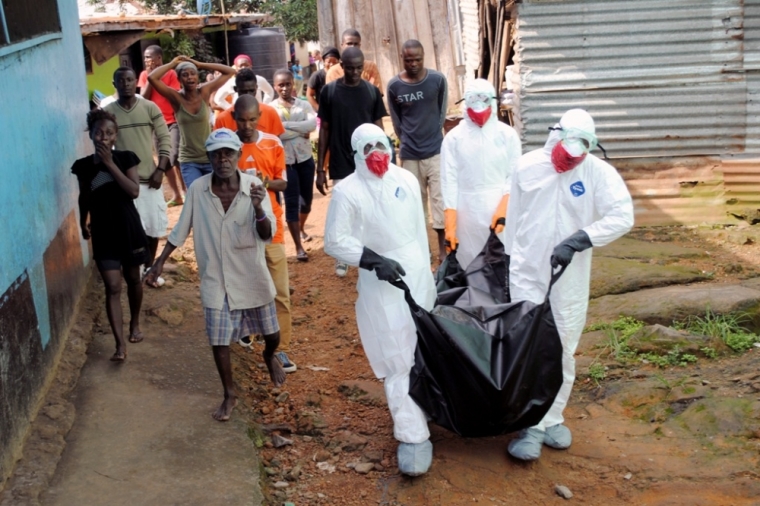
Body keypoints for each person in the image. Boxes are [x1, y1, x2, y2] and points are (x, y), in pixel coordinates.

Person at [504, 109, 634, 461]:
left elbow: (623, 215)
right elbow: (514, 218)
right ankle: (529, 422)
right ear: (555, 136)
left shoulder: (598, 173)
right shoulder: (528, 165)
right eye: (565, 153)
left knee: (562, 346)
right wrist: (505, 260)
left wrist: (581, 238)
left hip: (569, 276)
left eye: (578, 157)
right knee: (528, 346)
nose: (569, 162)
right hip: (527, 271)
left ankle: (550, 416)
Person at [145, 128, 286, 421]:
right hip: (216, 277)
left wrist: (259, 206)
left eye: (228, 153)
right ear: (209, 158)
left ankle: (268, 355)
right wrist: (159, 262)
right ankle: (229, 393)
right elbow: (181, 228)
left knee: (272, 334)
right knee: (219, 340)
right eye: (217, 154)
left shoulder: (254, 186)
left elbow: (267, 233)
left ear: (237, 155)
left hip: (250, 273)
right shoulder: (198, 188)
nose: (223, 159)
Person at [324, 123, 436, 476]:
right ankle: (413, 435)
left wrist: (427, 270)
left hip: (417, 273)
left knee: (426, 346)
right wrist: (373, 260)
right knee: (397, 354)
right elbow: (334, 241)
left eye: (381, 143)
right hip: (380, 281)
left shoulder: (405, 179)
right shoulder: (347, 192)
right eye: (367, 145)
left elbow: (419, 229)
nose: (376, 151)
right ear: (355, 151)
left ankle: (433, 410)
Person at [72, 109, 149, 362]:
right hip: (103, 233)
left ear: (115, 136)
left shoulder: (126, 159)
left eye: (108, 133)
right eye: (98, 133)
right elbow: (85, 196)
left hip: (128, 228)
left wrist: (109, 164)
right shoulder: (83, 167)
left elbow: (133, 191)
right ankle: (119, 345)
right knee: (113, 286)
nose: (103, 137)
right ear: (91, 136)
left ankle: (135, 323)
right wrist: (83, 222)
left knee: (133, 279)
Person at [233, 95, 297, 374]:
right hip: (239, 227)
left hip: (271, 227)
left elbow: (283, 182)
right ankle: (250, 331)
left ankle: (281, 349)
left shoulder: (272, 142)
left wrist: (264, 181)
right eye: (242, 120)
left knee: (280, 290)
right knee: (247, 286)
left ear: (259, 117)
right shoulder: (228, 146)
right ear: (234, 118)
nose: (247, 125)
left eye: (252, 119)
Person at [317, 47, 387, 277]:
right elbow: (324, 130)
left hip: (368, 162)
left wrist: (386, 159)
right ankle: (342, 257)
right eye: (350, 68)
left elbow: (379, 130)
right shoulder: (329, 92)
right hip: (340, 159)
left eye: (359, 67)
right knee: (342, 210)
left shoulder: (371, 92)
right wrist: (320, 168)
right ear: (342, 67)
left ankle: (371, 251)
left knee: (371, 206)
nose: (355, 72)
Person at [439, 78, 521, 269]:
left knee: (502, 266)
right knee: (471, 266)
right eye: (473, 100)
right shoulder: (454, 139)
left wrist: (504, 208)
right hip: (466, 213)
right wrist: (450, 224)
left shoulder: (507, 135)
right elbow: (449, 181)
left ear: (493, 101)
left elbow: (514, 176)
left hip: (501, 212)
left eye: (484, 100)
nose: (479, 107)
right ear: (465, 103)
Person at [104, 67, 172, 290]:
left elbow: (164, 139)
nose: (126, 84)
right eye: (121, 80)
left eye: (130, 80)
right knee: (131, 231)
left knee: (153, 230)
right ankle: (135, 271)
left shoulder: (149, 107)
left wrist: (160, 170)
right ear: (114, 84)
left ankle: (149, 270)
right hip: (123, 184)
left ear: (137, 83)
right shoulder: (108, 111)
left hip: (149, 180)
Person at [387, 39, 448, 264]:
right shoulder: (395, 86)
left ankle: (442, 251)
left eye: (418, 59)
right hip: (410, 155)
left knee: (439, 200)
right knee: (415, 204)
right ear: (402, 58)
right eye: (408, 59)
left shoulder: (437, 80)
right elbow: (396, 122)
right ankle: (423, 250)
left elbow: (441, 113)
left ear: (424, 57)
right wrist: (408, 141)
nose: (413, 63)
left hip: (435, 152)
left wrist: (432, 136)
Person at [148, 55, 235, 188]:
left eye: (193, 74)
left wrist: (199, 64)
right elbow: (152, 78)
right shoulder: (176, 97)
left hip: (210, 157)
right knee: (197, 197)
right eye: (185, 75)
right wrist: (172, 63)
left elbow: (229, 71)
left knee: (216, 198)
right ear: (179, 79)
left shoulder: (204, 92)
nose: (190, 77)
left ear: (198, 77)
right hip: (189, 160)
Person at [272, 69, 317, 262]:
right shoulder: (271, 109)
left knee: (306, 201)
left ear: (293, 84)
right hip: (285, 162)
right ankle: (298, 246)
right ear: (275, 86)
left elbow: (312, 126)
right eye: (280, 85)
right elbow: (276, 133)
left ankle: (300, 228)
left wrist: (286, 126)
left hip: (305, 159)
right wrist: (299, 130)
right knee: (291, 203)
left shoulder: (304, 105)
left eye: (287, 84)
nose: (284, 88)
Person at [138, 44, 186, 206]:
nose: (146, 60)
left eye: (149, 57)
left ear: (159, 58)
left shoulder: (171, 73)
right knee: (163, 160)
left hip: (173, 121)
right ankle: (176, 195)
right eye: (145, 57)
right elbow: (143, 97)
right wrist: (151, 77)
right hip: (155, 124)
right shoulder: (145, 75)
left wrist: (156, 77)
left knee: (174, 157)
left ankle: (186, 192)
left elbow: (172, 94)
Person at [214, 68, 285, 137]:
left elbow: (277, 143)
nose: (248, 95)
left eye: (251, 91)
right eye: (243, 91)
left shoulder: (270, 113)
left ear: (256, 88)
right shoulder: (223, 119)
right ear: (236, 89)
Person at [306, 46, 340, 112]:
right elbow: (309, 95)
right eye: (329, 62)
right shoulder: (317, 76)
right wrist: (320, 109)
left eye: (335, 62)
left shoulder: (341, 75)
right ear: (324, 61)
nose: (332, 64)